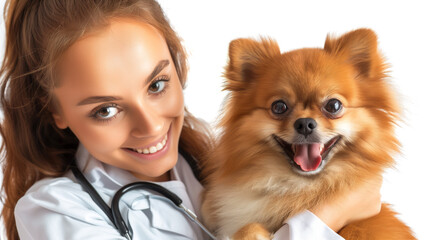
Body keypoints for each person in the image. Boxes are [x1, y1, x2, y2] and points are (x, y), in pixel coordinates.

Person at [0, 0, 382, 239]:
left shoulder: (210, 166)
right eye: (106, 110)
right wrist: (329, 215)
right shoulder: (54, 212)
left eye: (157, 85)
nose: (150, 126)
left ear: (179, 63)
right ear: (54, 111)